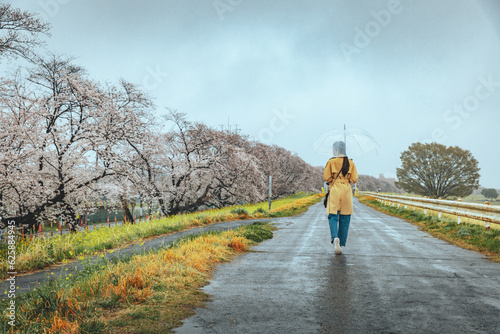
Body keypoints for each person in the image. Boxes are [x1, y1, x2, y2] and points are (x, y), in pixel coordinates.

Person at [323, 141, 358, 255]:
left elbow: (326, 177)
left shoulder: (331, 161)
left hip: (335, 189)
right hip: (346, 189)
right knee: (345, 217)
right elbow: (354, 179)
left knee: (333, 215)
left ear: (335, 150)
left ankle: (335, 238)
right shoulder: (350, 163)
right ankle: (341, 242)